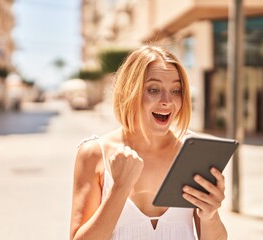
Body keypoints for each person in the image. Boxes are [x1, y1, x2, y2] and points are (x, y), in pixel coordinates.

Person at [70, 45, 227, 240]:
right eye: (154, 89)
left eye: (176, 90)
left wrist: (210, 215)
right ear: (130, 92)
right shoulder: (94, 153)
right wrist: (119, 189)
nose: (167, 101)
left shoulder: (192, 153)